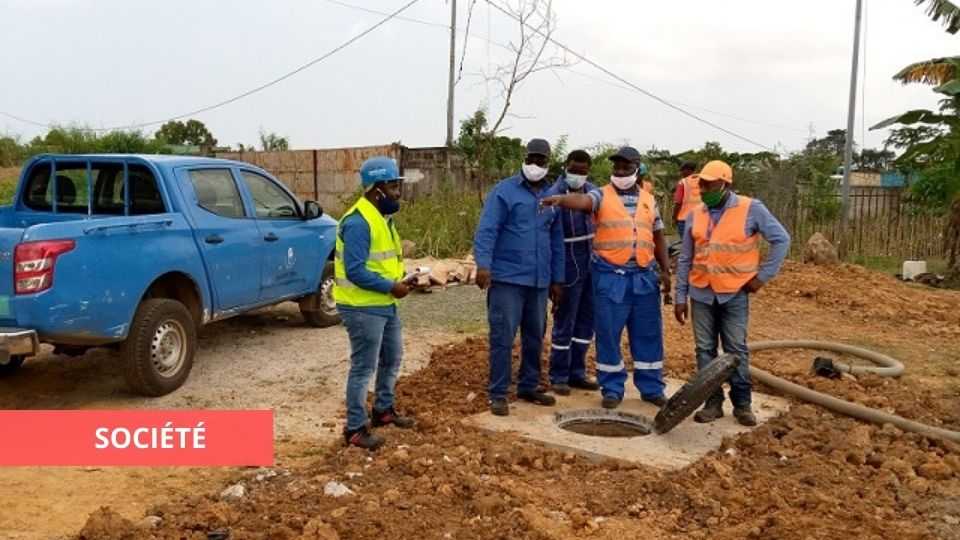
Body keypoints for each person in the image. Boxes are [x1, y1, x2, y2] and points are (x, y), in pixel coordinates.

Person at [542, 146, 671, 410]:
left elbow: (658, 235)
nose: (620, 172)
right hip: (612, 276)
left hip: (644, 276)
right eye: (617, 167)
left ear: (637, 169)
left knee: (648, 334)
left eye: (625, 168)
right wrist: (560, 200)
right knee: (608, 334)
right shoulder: (601, 194)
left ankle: (652, 387)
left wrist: (666, 270)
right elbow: (583, 202)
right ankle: (612, 388)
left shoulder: (649, 200)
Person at [674, 160, 791, 427]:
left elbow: (782, 240)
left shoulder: (751, 208)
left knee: (735, 349)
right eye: (701, 184)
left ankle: (742, 404)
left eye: (709, 184)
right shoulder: (696, 213)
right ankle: (712, 403)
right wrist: (680, 296)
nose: (703, 189)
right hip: (701, 291)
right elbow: (685, 258)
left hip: (734, 292)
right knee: (704, 350)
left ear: (725, 184)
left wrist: (761, 278)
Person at [474, 138, 566, 417]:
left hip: (538, 282)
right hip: (508, 279)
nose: (536, 165)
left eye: (541, 160)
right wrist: (483, 265)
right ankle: (498, 392)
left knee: (535, 336)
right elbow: (487, 229)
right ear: (524, 159)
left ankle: (528, 385)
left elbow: (557, 239)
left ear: (549, 163)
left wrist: (557, 279)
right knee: (503, 336)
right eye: (532, 159)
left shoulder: (552, 197)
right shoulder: (504, 191)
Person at [335, 156, 419, 450]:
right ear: (378, 188)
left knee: (392, 358)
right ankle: (355, 428)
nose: (398, 193)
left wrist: (403, 280)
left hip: (385, 302)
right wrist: (391, 287)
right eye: (394, 186)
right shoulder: (358, 222)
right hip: (362, 306)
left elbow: (383, 263)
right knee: (363, 367)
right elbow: (356, 270)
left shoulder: (382, 219)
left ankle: (383, 410)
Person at [544, 150, 601, 395]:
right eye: (573, 170)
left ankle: (577, 371)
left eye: (582, 171)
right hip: (566, 261)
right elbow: (549, 238)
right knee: (565, 319)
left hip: (591, 260)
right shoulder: (552, 195)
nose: (577, 175)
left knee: (587, 320)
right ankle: (559, 375)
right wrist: (554, 278)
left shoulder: (593, 192)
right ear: (565, 166)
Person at [672, 161, 699, 238]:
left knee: (686, 245)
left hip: (684, 219)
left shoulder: (683, 182)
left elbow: (678, 202)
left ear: (688, 170)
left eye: (682, 170)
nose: (681, 173)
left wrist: (674, 218)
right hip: (701, 219)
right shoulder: (703, 181)